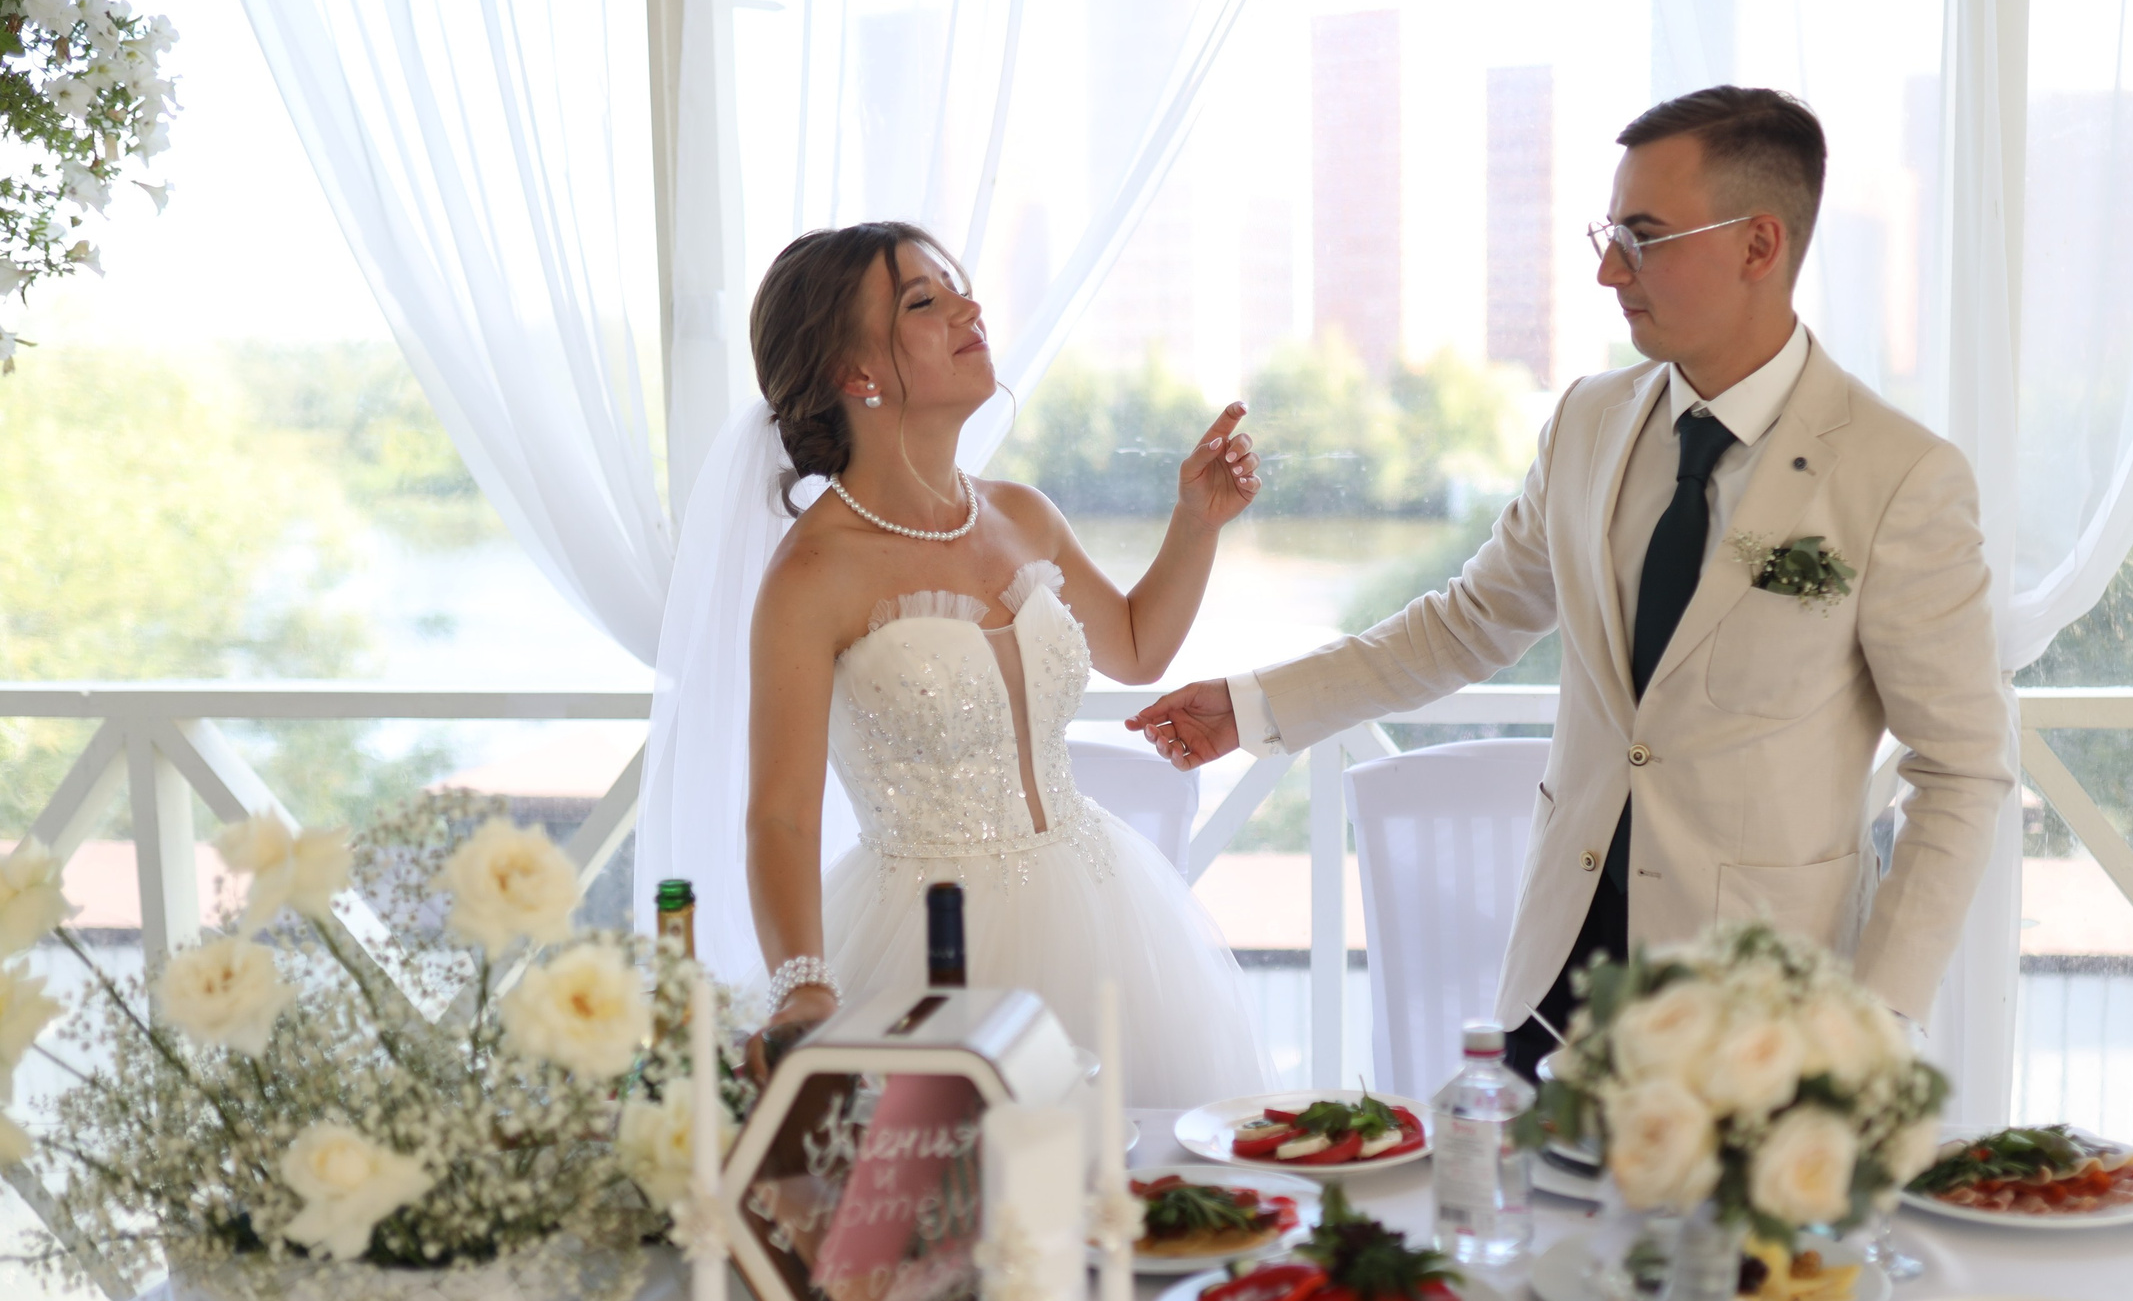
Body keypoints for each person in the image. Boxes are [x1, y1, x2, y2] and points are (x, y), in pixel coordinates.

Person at [1129, 87, 2015, 1080]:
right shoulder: (1588, 423)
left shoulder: (1900, 477)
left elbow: (1963, 771)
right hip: (1554, 986)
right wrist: (1252, 707)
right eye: (1607, 234)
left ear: (1760, 246)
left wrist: (1882, 1013)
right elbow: (1466, 625)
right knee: (1512, 1232)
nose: (1606, 271)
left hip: (1766, 1009)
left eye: (1642, 238)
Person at [740, 222, 1271, 1107]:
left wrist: (1196, 523)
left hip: (1096, 907)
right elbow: (782, 817)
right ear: (854, 373)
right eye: (924, 301)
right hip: (924, 945)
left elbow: (1136, 647)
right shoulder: (811, 572)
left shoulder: (1022, 513)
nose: (970, 308)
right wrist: (801, 982)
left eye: (960, 287)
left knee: (1133, 1193)